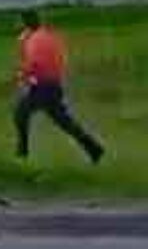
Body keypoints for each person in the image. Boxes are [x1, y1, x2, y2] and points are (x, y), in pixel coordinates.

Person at [14, 9, 105, 164]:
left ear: (25, 23)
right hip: (53, 85)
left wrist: (23, 75)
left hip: (43, 86)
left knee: (20, 113)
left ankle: (22, 153)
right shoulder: (49, 36)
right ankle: (94, 148)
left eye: (21, 22)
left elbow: (35, 63)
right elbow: (59, 58)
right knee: (64, 122)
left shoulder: (34, 40)